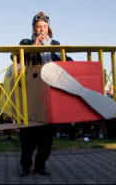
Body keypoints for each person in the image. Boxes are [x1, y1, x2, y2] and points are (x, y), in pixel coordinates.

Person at [15, 11, 73, 177]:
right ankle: (25, 165)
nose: (42, 29)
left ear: (48, 27)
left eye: (45, 27)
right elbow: (21, 58)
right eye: (38, 27)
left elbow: (62, 60)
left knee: (47, 134)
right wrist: (36, 44)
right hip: (31, 92)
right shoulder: (25, 42)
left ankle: (41, 164)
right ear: (33, 29)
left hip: (50, 92)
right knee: (28, 134)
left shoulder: (55, 43)